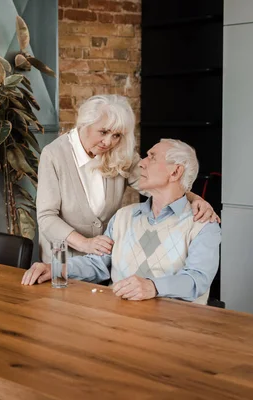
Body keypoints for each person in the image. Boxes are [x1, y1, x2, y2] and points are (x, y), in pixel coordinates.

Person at [23, 139, 221, 304]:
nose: (142, 163)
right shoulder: (123, 217)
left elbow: (197, 279)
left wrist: (152, 287)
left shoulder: (203, 225)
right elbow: (99, 264)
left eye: (152, 157)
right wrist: (54, 268)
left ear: (175, 172)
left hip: (173, 330)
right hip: (117, 322)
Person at [36, 94, 218, 263]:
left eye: (116, 135)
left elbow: (158, 185)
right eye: (103, 132)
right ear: (85, 123)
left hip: (103, 261)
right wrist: (85, 244)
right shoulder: (54, 155)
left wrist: (197, 199)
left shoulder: (120, 152)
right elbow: (46, 217)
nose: (108, 142)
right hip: (62, 261)